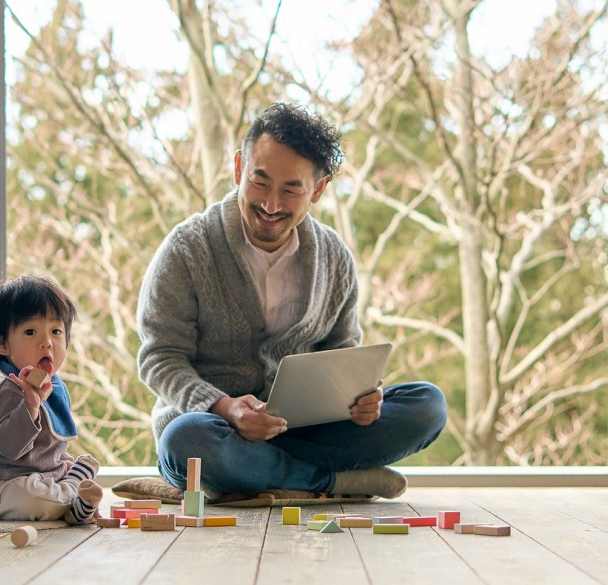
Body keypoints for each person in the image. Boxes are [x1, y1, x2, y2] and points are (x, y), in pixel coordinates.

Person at [137, 103, 447, 498]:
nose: (270, 203)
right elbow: (159, 359)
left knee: (427, 405)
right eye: (259, 181)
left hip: (307, 432)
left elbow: (341, 351)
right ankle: (330, 482)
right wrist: (224, 407)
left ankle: (263, 477)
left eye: (291, 189)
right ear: (238, 169)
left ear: (316, 190)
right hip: (216, 430)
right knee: (186, 441)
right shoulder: (187, 249)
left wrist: (361, 398)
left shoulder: (334, 257)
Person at [0, 275, 104, 524]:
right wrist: (30, 406)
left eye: (56, 331)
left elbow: (49, 447)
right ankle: (74, 493)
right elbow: (10, 449)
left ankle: (71, 494)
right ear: (1, 343)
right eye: (30, 332)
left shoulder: (54, 386)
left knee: (58, 480)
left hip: (44, 478)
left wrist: (63, 462)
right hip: (3, 484)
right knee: (33, 498)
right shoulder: (6, 390)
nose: (47, 343)